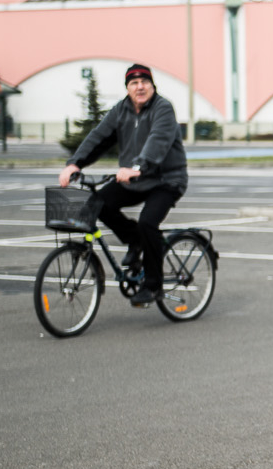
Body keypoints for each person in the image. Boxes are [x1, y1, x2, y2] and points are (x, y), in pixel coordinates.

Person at [58, 64, 189, 308]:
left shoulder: (163, 108)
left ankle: (152, 285)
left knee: (148, 222)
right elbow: (98, 137)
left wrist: (138, 167)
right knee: (97, 203)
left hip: (166, 179)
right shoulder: (121, 110)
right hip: (135, 179)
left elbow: (157, 141)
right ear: (127, 88)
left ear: (152, 85)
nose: (140, 87)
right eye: (133, 83)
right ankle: (136, 240)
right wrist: (74, 164)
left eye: (144, 82)